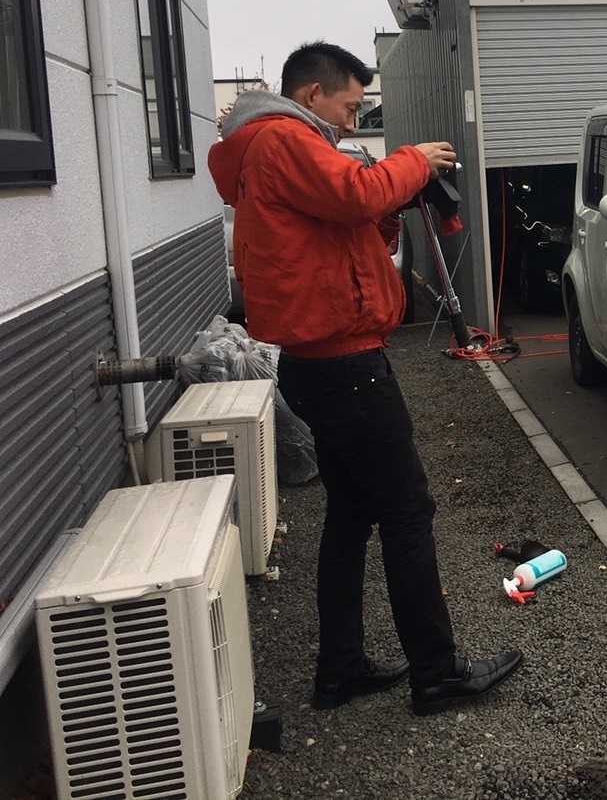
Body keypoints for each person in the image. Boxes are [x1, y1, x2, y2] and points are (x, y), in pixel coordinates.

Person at [209, 40, 523, 716]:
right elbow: (352, 194)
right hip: (344, 365)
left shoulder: (280, 148)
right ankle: (436, 674)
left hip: (322, 363)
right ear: (312, 94)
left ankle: (341, 667)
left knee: (353, 513)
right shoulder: (282, 139)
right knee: (407, 510)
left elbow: (348, 228)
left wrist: (392, 204)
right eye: (350, 106)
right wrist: (415, 162)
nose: (354, 121)